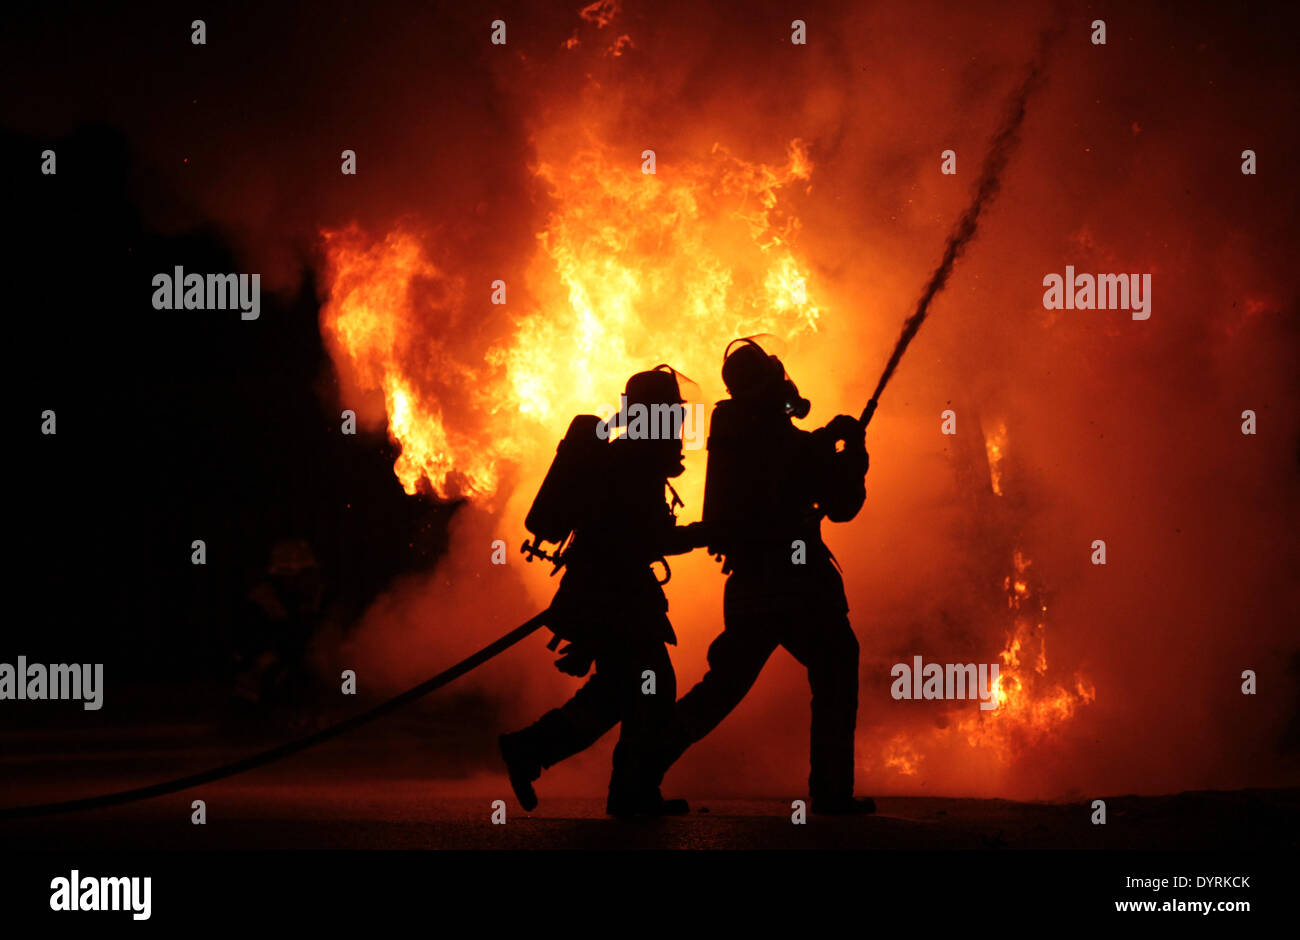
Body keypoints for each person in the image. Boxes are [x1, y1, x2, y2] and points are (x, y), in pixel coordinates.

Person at [662, 338, 876, 814]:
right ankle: (832, 793)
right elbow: (836, 503)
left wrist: (840, 450)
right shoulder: (766, 435)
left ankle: (642, 767)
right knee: (836, 666)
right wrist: (845, 449)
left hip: (752, 585)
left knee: (723, 688)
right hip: (796, 588)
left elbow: (817, 486)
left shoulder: (736, 429)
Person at [499, 366, 709, 817]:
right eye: (669, 410)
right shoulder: (636, 464)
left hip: (607, 594)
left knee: (618, 692)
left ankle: (530, 749)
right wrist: (704, 534)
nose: (675, 421)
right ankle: (629, 793)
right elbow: (644, 537)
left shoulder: (626, 456)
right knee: (651, 688)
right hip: (618, 597)